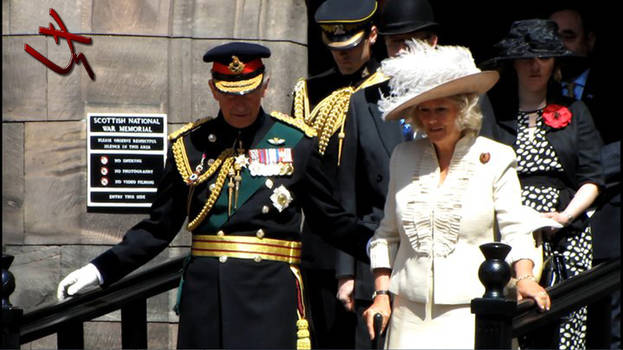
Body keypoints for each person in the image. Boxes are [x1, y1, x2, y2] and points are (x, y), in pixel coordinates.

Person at [56, 42, 374, 350]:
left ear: (265, 86)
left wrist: (384, 250)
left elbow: (331, 220)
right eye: (228, 94)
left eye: (248, 92)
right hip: (207, 299)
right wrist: (99, 270)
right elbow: (158, 228)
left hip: (268, 295)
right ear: (213, 89)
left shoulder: (296, 142)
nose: (239, 104)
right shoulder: (190, 146)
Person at [360, 39, 557, 349]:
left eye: (441, 109)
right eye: (424, 110)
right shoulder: (403, 156)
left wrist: (525, 278)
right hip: (407, 316)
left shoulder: (496, 157)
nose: (431, 119)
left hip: (472, 314)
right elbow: (387, 235)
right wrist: (382, 295)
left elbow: (515, 228)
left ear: (463, 110)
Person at [334, 2, 500, 347]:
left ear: (434, 41)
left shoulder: (470, 99)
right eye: (396, 43)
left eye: (414, 42)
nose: (404, 51)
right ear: (382, 44)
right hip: (376, 257)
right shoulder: (361, 103)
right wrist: (345, 272)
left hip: (453, 266)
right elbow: (349, 193)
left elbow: (491, 183)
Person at [485, 19, 604, 349]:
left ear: (555, 63)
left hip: (566, 231)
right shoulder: (494, 113)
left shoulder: (575, 111)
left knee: (567, 327)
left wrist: (564, 217)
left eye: (542, 57)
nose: (534, 65)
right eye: (525, 58)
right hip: (509, 228)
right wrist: (519, 220)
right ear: (513, 64)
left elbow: (593, 177)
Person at [292, 0, 386, 347]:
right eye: (335, 48)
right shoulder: (309, 91)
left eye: (351, 46)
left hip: (368, 236)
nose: (343, 55)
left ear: (372, 35)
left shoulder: (387, 90)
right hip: (321, 241)